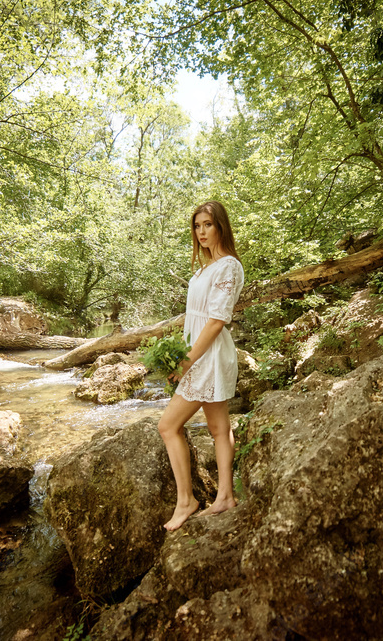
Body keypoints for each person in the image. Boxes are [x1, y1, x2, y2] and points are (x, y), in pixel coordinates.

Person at [158, 200, 245, 531]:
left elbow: (216, 321)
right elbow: (195, 320)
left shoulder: (229, 267)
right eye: (197, 226)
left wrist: (186, 361)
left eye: (207, 224)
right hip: (197, 353)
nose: (202, 231)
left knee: (168, 426)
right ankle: (224, 496)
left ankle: (187, 501)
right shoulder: (203, 269)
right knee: (219, 428)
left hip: (208, 356)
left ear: (220, 225)